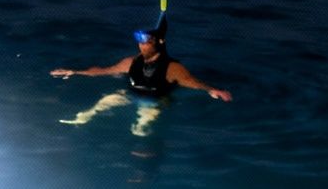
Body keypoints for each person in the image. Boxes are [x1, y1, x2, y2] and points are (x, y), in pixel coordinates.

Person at [51, 14, 231, 136]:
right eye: (140, 42)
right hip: (130, 94)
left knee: (139, 131)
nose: (141, 46)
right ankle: (80, 121)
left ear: (159, 43)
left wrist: (212, 89)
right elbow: (103, 71)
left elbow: (191, 81)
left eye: (146, 42)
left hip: (154, 101)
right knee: (100, 105)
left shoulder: (172, 67)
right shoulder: (131, 62)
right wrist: (74, 72)